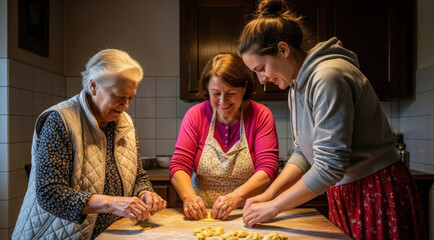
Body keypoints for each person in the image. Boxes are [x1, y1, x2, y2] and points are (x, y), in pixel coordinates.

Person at [238, 0, 426, 239]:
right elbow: (302, 152)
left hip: (375, 190)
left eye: (261, 68)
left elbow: (329, 166)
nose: (261, 79)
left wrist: (274, 207)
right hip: (345, 192)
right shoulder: (296, 85)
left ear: (283, 49)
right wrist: (270, 194)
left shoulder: (328, 77)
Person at [13, 49, 167, 240]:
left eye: (131, 97)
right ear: (93, 86)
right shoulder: (60, 121)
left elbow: (137, 175)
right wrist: (111, 203)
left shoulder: (124, 122)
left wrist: (145, 193)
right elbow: (49, 194)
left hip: (107, 235)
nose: (126, 105)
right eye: (119, 96)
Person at [169, 53, 279, 220]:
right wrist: (189, 198)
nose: (222, 101)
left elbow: (268, 168)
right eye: (216, 93)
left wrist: (236, 197)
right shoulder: (195, 115)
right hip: (202, 215)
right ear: (207, 89)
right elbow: (179, 165)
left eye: (231, 93)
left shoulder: (260, 116)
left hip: (250, 214)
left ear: (244, 88)